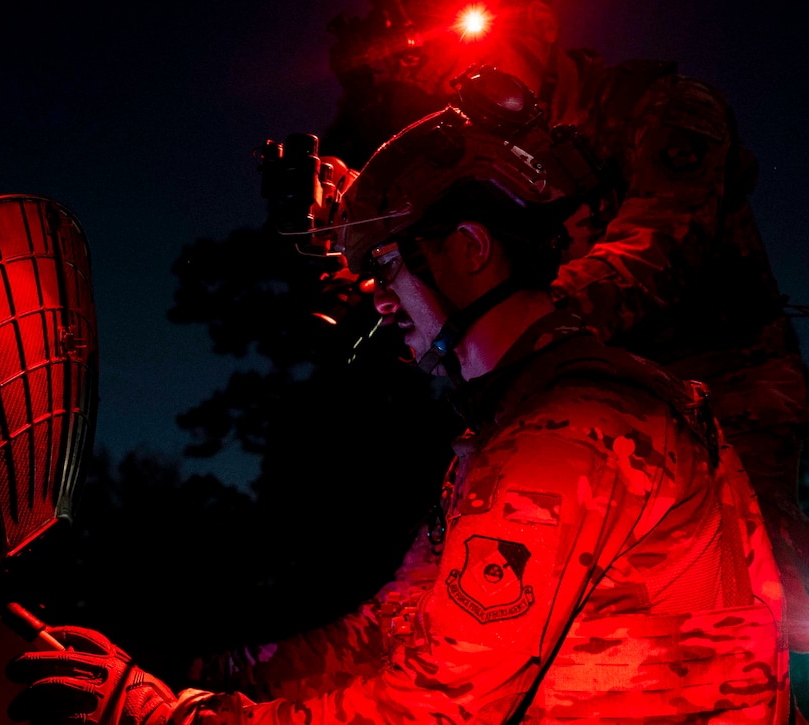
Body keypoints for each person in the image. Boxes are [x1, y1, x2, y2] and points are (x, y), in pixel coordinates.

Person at [4, 87, 789, 723]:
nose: (372, 299)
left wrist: (166, 718)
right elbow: (397, 625)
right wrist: (206, 668)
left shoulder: (564, 438)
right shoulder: (519, 423)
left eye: (385, 263)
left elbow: (430, 709)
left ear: (471, 250)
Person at [321, 1, 809, 714]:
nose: (462, 73)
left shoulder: (664, 107)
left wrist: (506, 303)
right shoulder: (506, 155)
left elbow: (659, 246)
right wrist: (397, 260)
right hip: (581, 389)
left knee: (753, 612)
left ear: (543, 29)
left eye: (477, 43)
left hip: (726, 382)